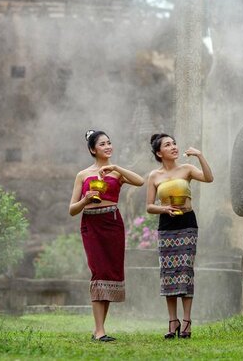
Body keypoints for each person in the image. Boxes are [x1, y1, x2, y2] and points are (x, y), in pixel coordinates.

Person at [68, 130, 144, 342]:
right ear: (93, 149)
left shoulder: (117, 173)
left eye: (109, 142)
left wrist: (116, 168)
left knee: (109, 272)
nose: (108, 146)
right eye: (102, 144)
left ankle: (99, 329)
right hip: (91, 224)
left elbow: (140, 181)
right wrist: (85, 200)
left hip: (113, 223)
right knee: (98, 271)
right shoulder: (82, 175)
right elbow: (72, 209)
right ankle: (99, 330)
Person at [146, 133, 213, 339]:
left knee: (185, 270)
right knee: (168, 273)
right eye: (168, 145)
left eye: (174, 143)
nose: (174, 147)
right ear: (159, 153)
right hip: (166, 226)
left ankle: (186, 321)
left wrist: (199, 155)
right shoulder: (154, 176)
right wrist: (164, 209)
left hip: (187, 224)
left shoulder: (187, 169)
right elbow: (149, 206)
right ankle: (172, 320)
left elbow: (209, 178)